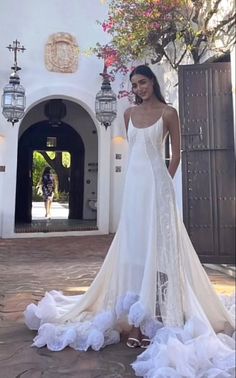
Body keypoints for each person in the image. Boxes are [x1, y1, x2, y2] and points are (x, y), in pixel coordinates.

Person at [24, 65, 235, 377]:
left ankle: (157, 318)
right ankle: (136, 322)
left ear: (153, 82)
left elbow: (176, 153)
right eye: (135, 84)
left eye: (143, 82)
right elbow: (133, 152)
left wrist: (166, 182)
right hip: (134, 190)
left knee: (160, 251)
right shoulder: (127, 115)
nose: (139, 88)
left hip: (157, 187)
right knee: (135, 252)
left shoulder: (169, 113)